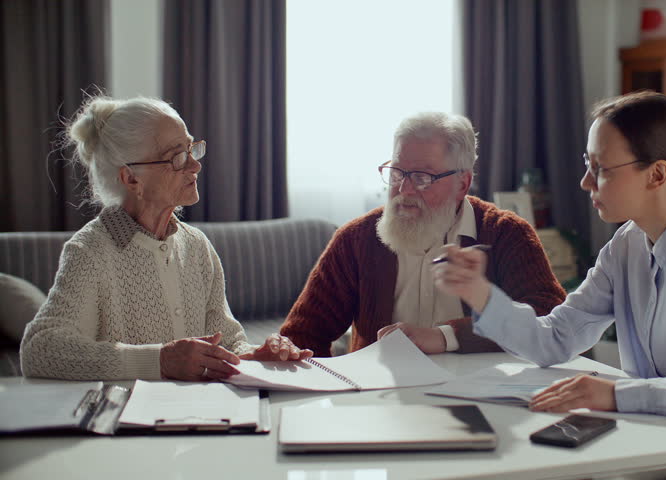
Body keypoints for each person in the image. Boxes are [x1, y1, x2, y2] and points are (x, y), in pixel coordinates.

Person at [433, 92, 666, 423]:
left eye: (600, 169)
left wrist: (617, 395)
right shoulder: (627, 245)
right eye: (587, 163)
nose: (585, 182)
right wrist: (480, 292)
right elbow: (554, 339)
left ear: (658, 174)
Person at [20, 96, 309, 381]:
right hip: (127, 421)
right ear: (132, 179)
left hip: (198, 419)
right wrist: (159, 360)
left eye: (191, 149)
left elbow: (227, 344)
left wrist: (257, 356)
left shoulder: (196, 246)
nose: (195, 166)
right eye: (177, 156)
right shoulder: (90, 252)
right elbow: (41, 348)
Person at [271, 112, 565, 357]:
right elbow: (303, 336)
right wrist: (285, 352)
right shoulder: (356, 240)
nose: (404, 190)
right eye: (397, 173)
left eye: (423, 177)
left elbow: (549, 318)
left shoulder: (506, 234)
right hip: (379, 401)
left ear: (462, 184)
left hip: (482, 398)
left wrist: (446, 336)